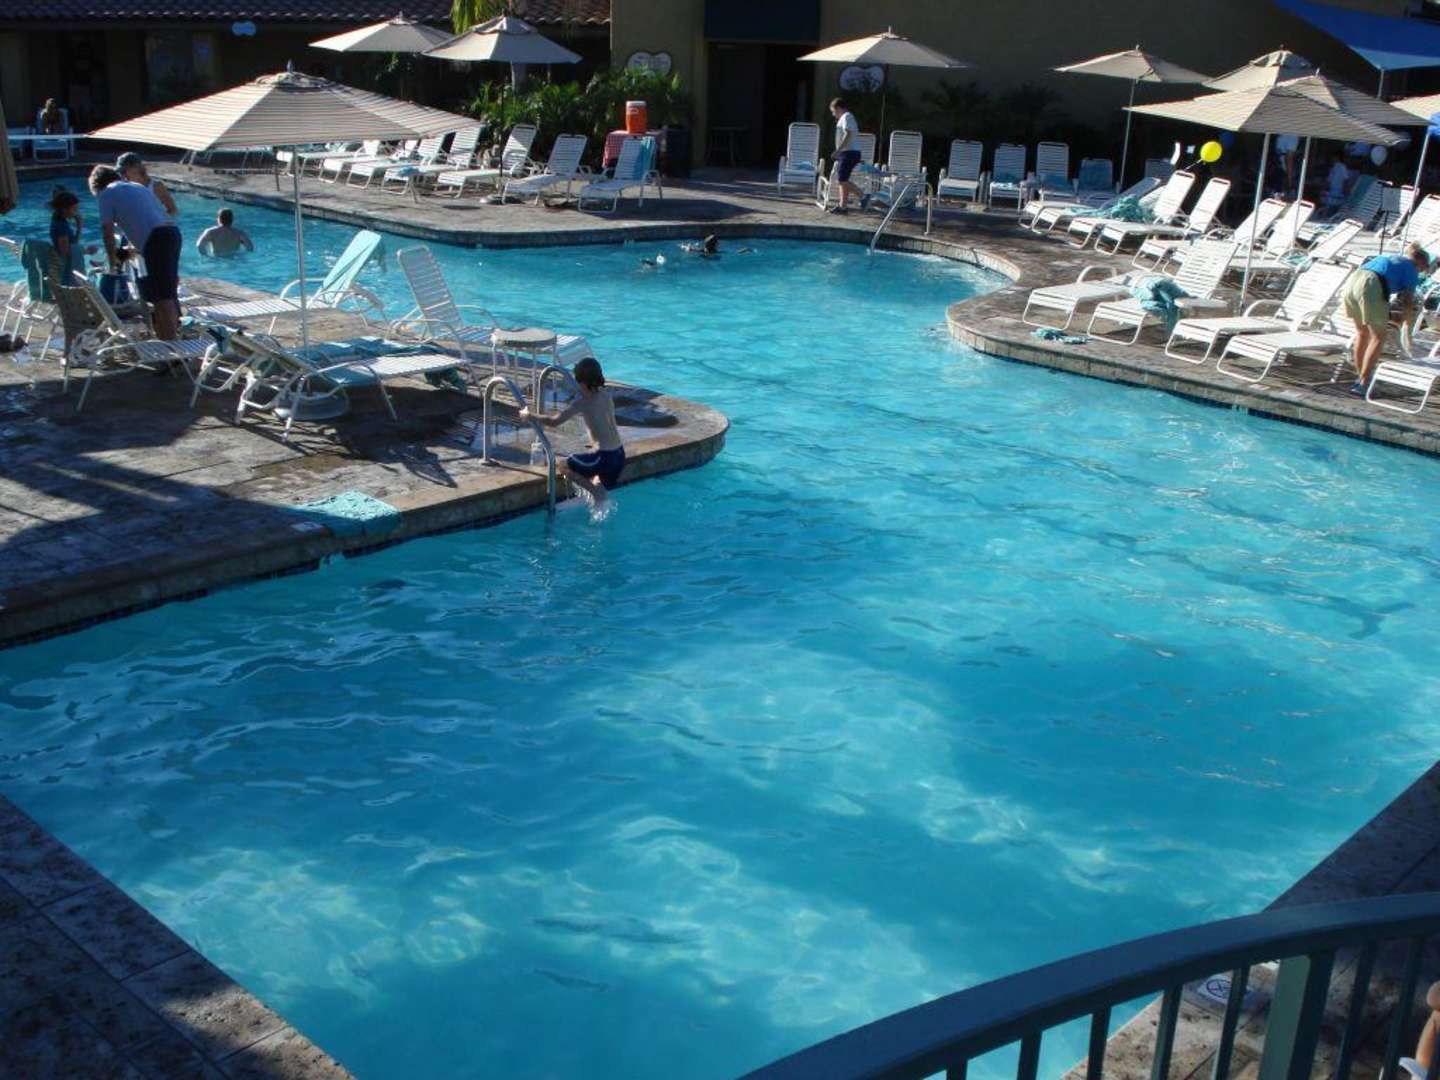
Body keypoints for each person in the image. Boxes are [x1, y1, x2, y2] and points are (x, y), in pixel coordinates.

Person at [89, 164, 182, 340]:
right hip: (172, 233)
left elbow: (107, 233)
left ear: (97, 186)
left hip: (156, 239)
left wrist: (113, 262)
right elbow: (146, 217)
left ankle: (171, 342)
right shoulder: (137, 187)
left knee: (161, 297)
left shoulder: (106, 193)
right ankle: (167, 336)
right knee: (165, 292)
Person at [519, 356, 625, 507]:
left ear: (581, 382)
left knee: (563, 465)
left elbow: (554, 421)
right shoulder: (606, 395)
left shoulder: (582, 402)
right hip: (619, 455)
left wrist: (529, 415)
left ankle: (596, 493)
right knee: (597, 479)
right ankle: (599, 497)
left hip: (603, 458)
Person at [1341, 242, 1432, 394]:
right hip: (1371, 286)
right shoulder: (1411, 268)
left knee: (1362, 334)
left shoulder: (1392, 258)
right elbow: (1408, 300)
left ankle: (1360, 378)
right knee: (1378, 337)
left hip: (1352, 282)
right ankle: (1363, 384)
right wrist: (1408, 321)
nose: (1426, 269)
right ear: (1421, 262)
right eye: (1427, 265)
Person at [827, 98, 869, 215]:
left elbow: (848, 133)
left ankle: (863, 196)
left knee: (842, 179)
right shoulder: (845, 117)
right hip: (847, 153)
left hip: (849, 152)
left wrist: (838, 150)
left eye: (833, 111)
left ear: (838, 108)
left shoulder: (847, 116)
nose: (833, 114)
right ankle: (843, 207)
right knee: (842, 180)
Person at [48, 188, 94, 286]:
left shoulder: (58, 222)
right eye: (75, 209)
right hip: (66, 270)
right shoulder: (61, 226)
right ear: (64, 209)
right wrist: (85, 251)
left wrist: (79, 227)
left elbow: (72, 246)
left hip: (65, 264)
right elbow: (65, 252)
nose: (76, 212)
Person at [116, 151, 178, 217]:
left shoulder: (156, 187)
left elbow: (173, 210)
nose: (123, 175)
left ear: (136, 168)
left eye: (123, 171)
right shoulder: (125, 189)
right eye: (120, 173)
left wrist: (157, 219)